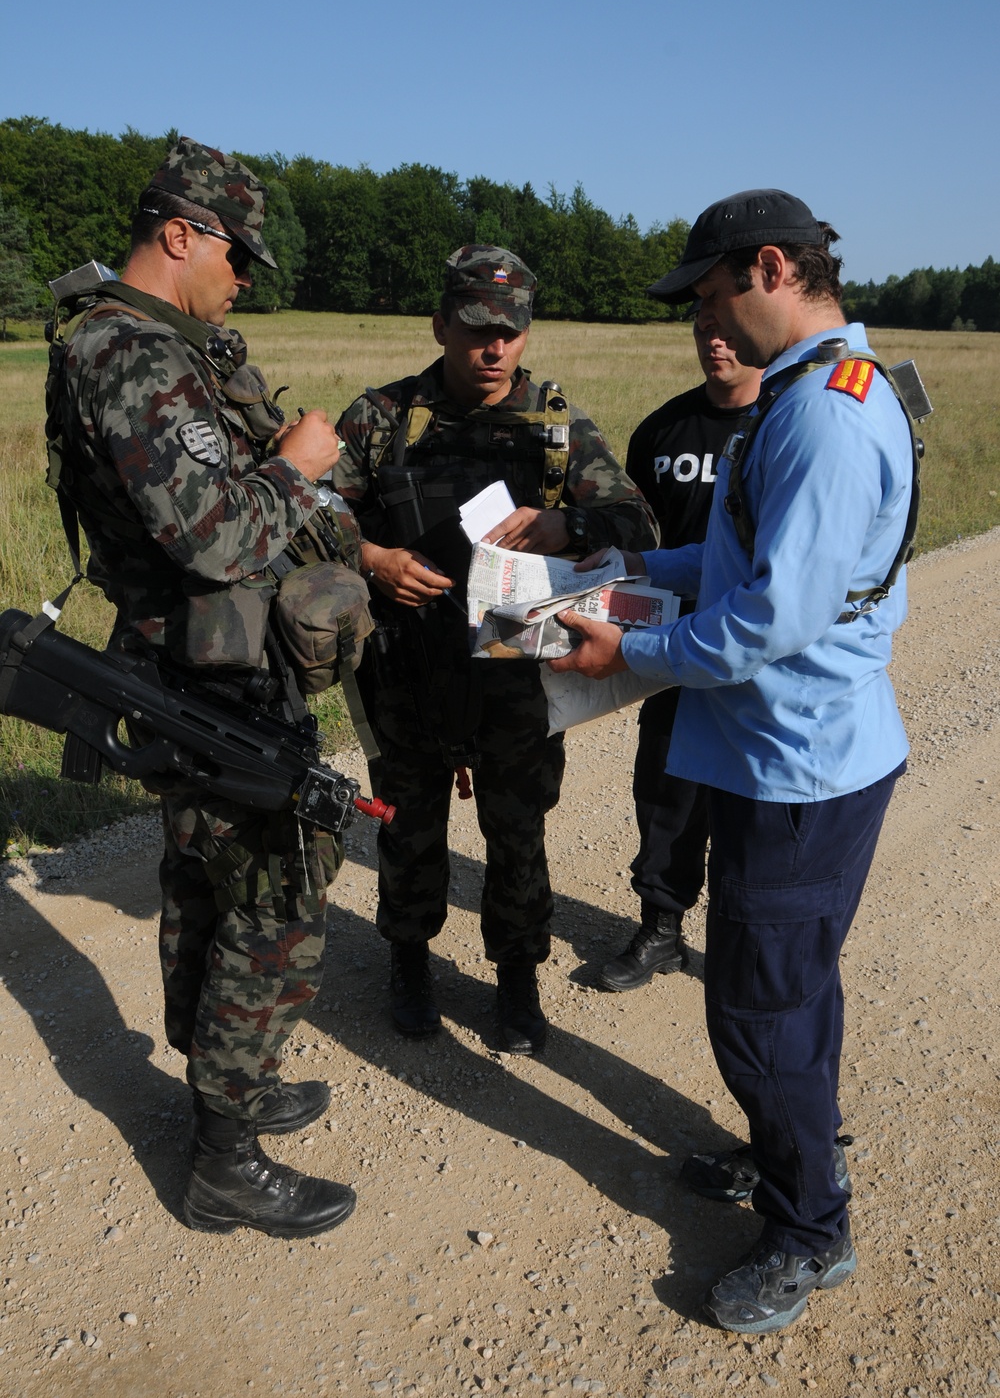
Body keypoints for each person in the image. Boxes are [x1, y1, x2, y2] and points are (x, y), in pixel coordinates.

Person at [550, 189, 914, 1332]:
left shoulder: (823, 414)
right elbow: (745, 553)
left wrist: (630, 648)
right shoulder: (809, 392)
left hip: (798, 766)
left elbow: (770, 620)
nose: (704, 317)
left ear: (769, 268)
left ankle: (811, 1229)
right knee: (789, 990)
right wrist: (639, 560)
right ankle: (790, 1150)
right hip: (789, 751)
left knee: (758, 1010)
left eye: (710, 293)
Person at [51, 138, 357, 1238]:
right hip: (208, 668)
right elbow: (215, 537)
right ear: (179, 233)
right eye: (237, 256)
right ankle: (225, 1154)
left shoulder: (154, 345)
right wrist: (298, 467)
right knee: (271, 889)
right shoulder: (131, 354)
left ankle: (225, 1081)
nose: (244, 279)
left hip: (208, 659)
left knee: (210, 877)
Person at [333, 246, 657, 1054]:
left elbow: (638, 523)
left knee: (519, 834)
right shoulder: (380, 419)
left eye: (510, 332)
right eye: (477, 328)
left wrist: (570, 524)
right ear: (442, 323)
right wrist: (373, 560)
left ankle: (517, 976)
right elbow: (304, 517)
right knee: (408, 827)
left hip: (516, 664)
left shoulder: (555, 427)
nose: (494, 349)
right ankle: (409, 962)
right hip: (406, 665)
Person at [599, 320, 760, 991]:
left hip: (753, 647)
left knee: (751, 802)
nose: (714, 342)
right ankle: (661, 927)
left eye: (726, 330)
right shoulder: (662, 431)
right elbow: (643, 541)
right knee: (665, 791)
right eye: (703, 331)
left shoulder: (779, 429)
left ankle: (747, 947)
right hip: (669, 644)